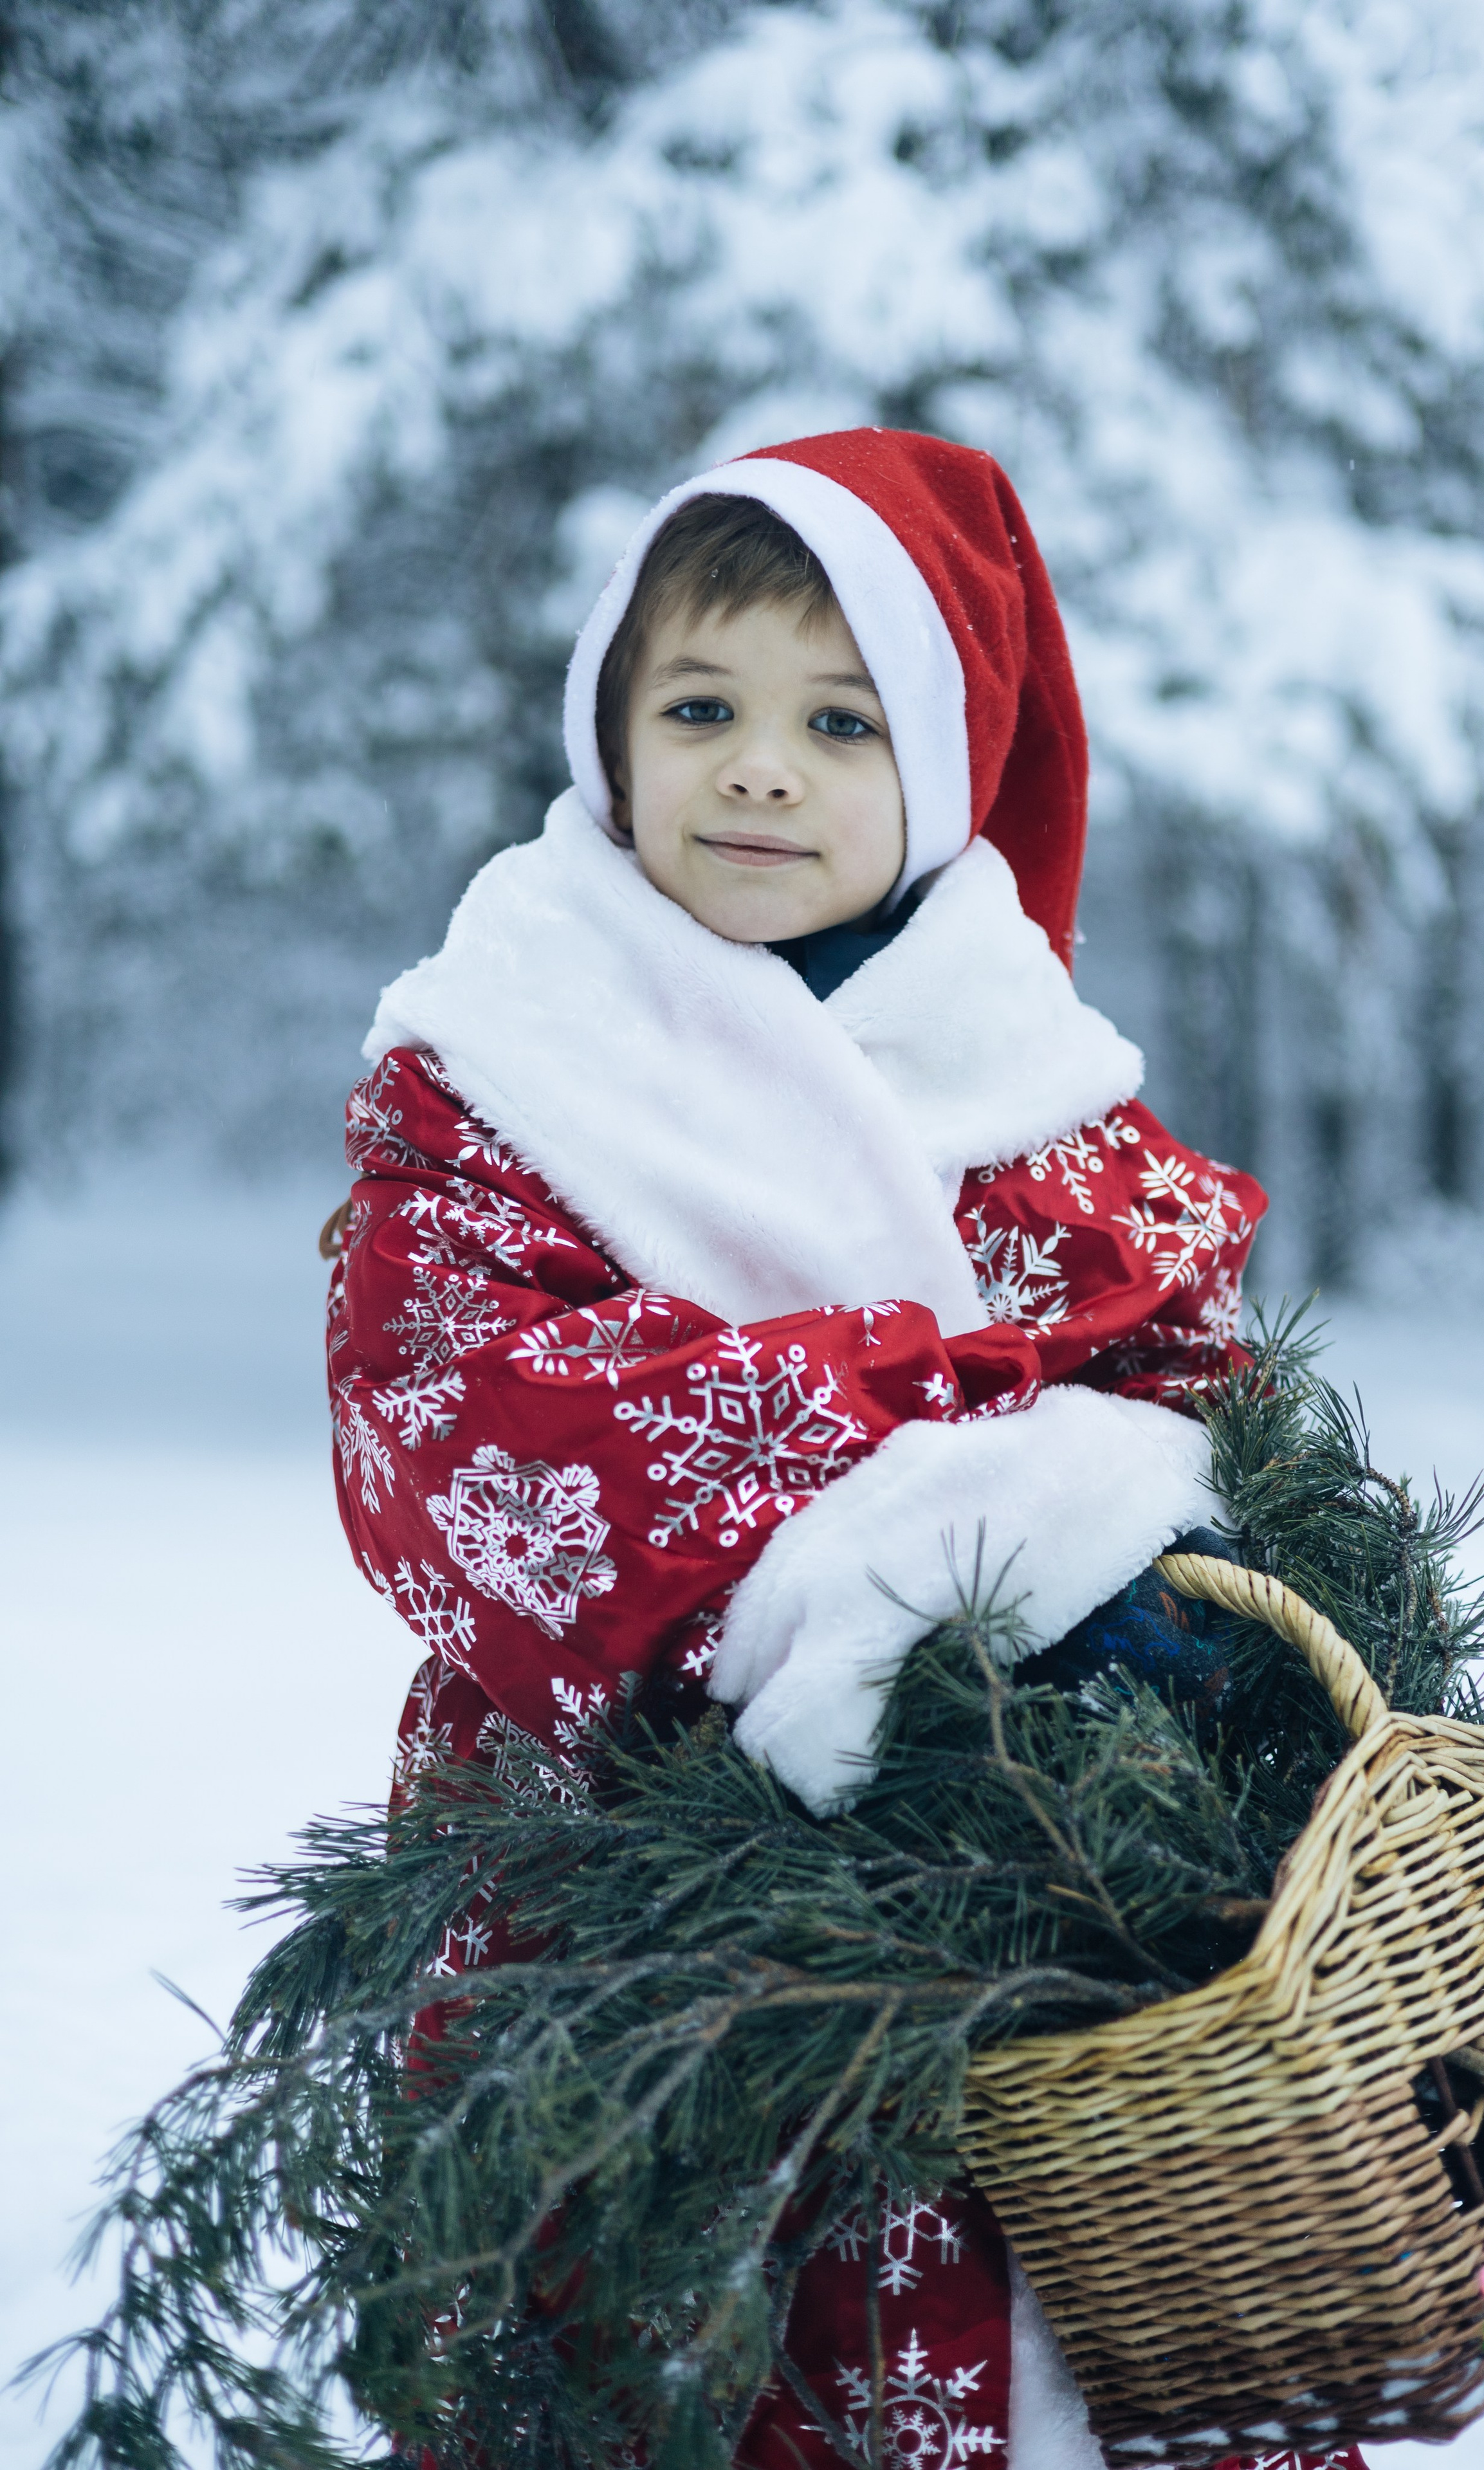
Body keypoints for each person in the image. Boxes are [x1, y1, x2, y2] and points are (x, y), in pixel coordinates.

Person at [326, 428, 1357, 2470]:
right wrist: (971, 1508)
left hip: (1024, 1932)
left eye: (839, 720)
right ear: (612, 735)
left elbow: (1194, 1418)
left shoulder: (1049, 1099)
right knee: (654, 2340)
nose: (761, 768)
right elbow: (455, 1415)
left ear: (949, 766)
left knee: (1019, 2316)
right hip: (619, 1886)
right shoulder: (502, 1064)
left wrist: (1132, 1579)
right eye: (699, 707)